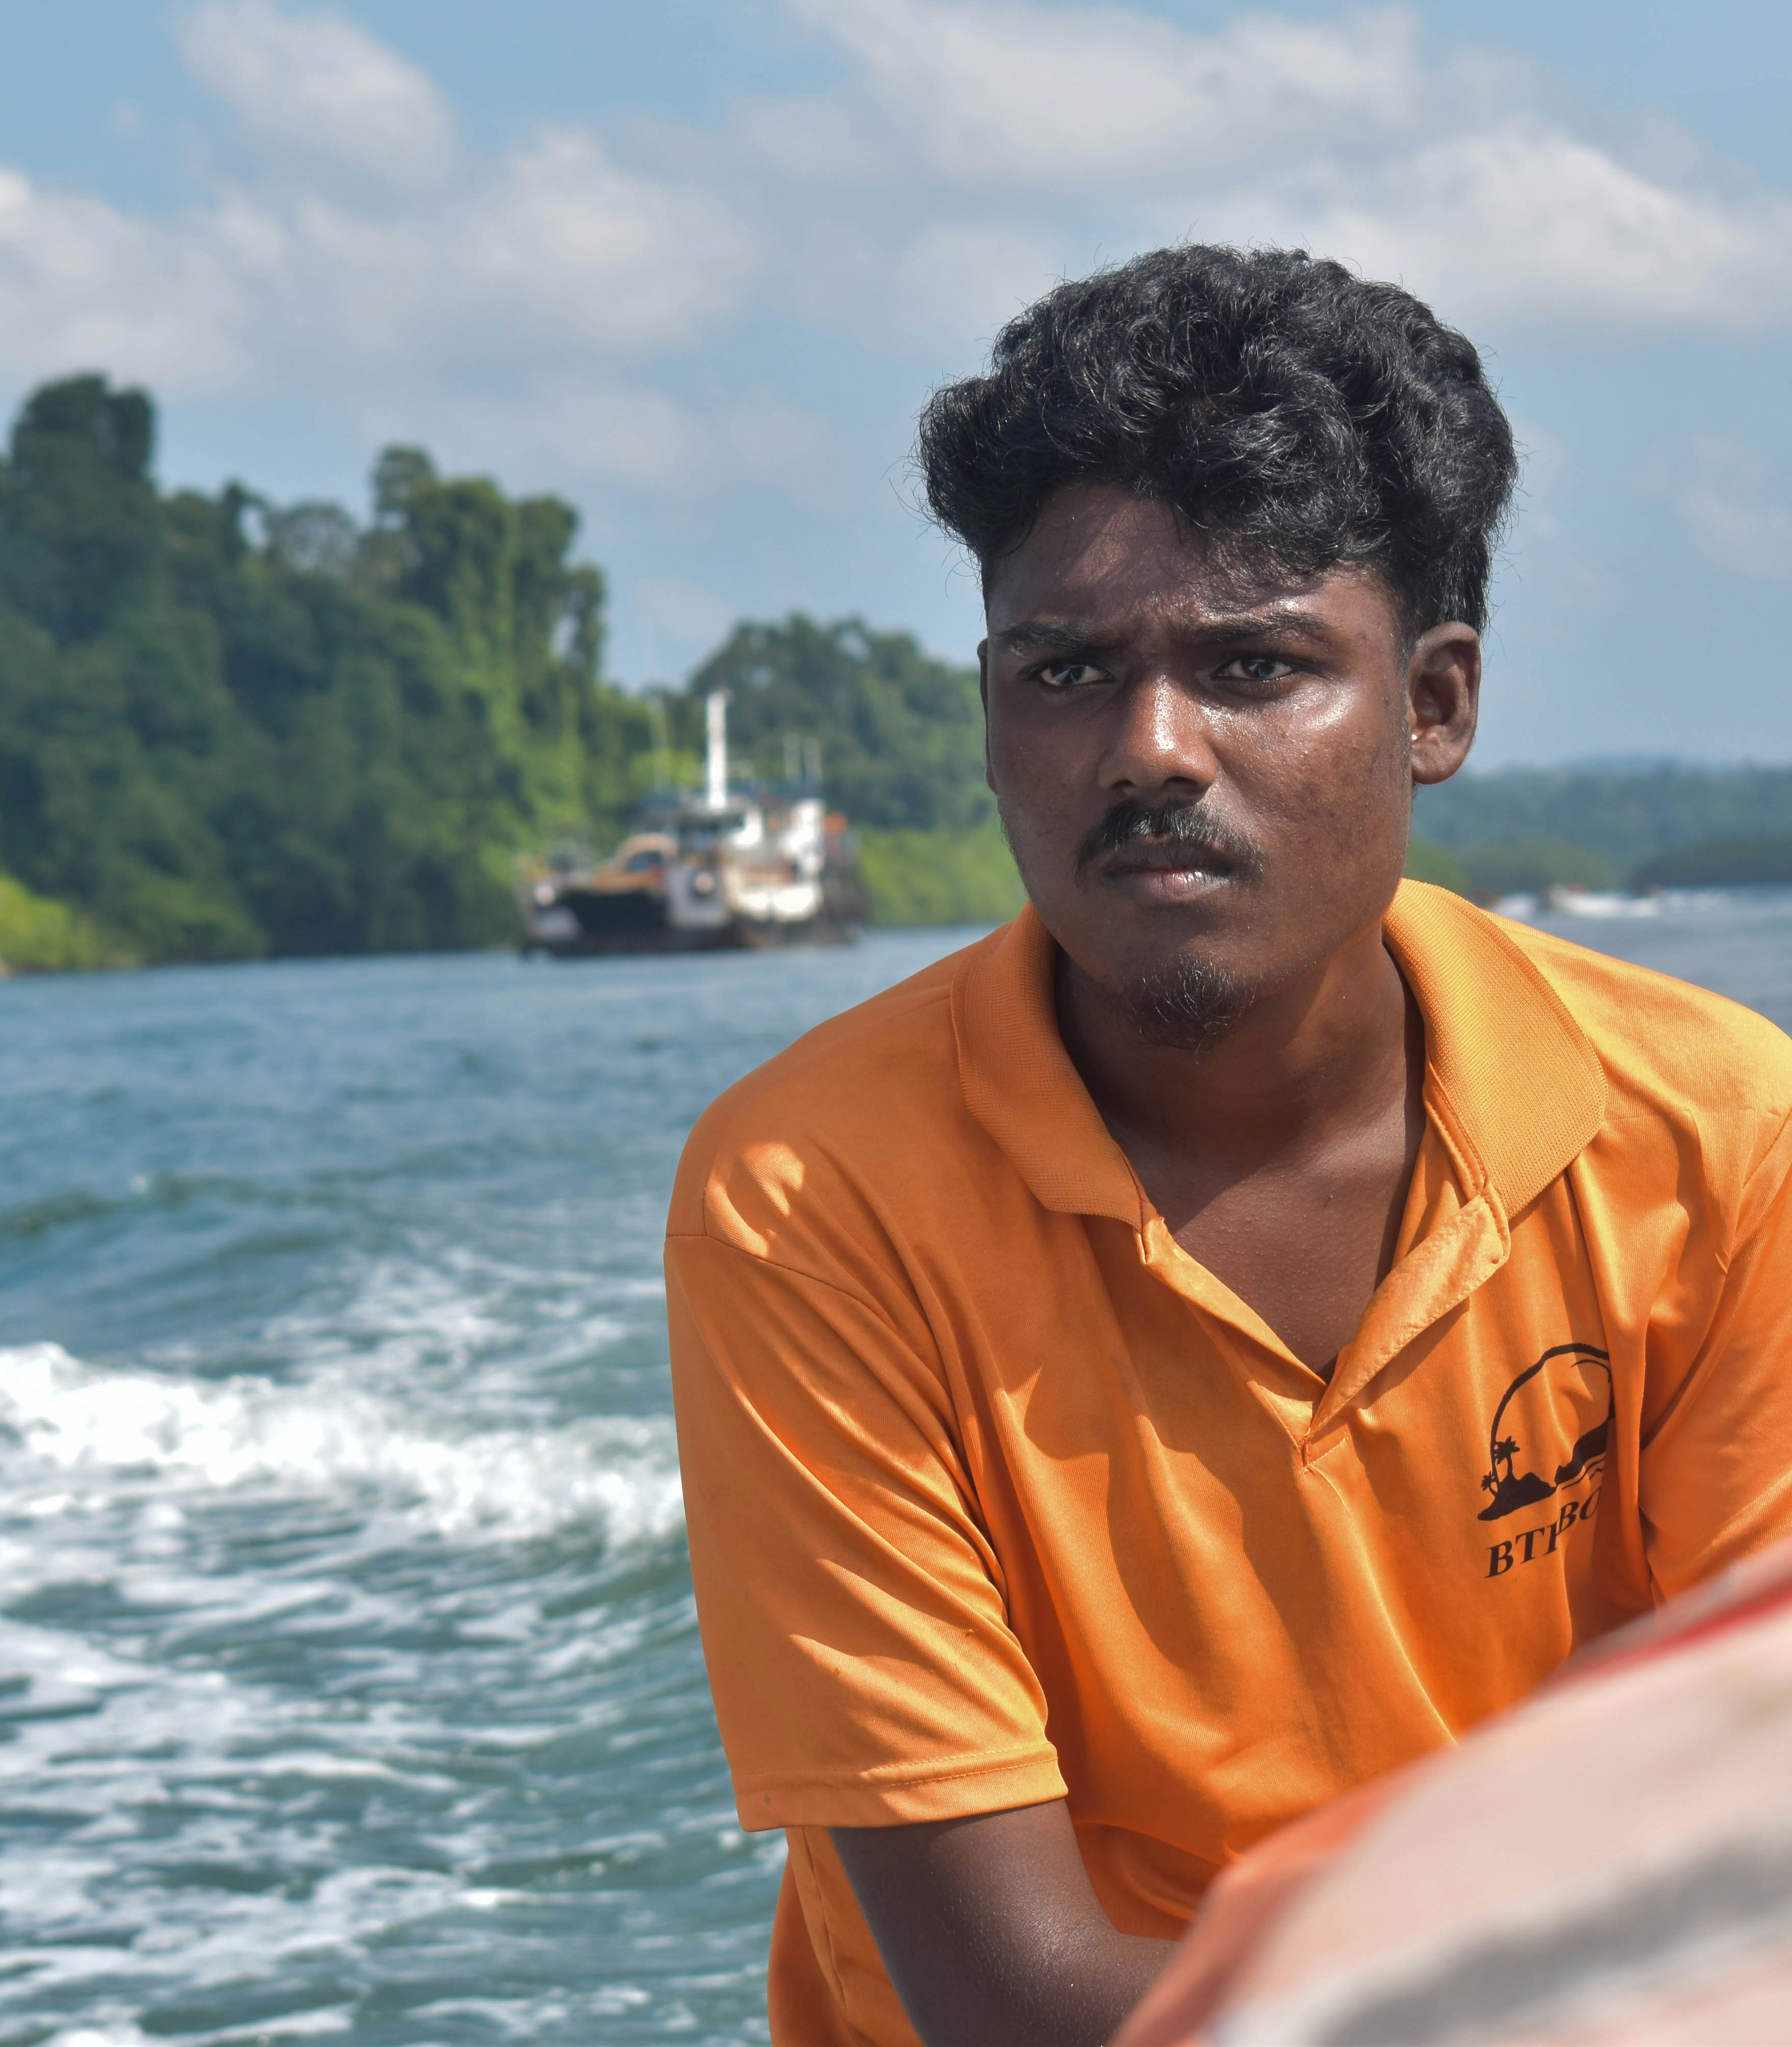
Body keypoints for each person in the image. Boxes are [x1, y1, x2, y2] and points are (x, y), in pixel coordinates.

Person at [664, 244, 1792, 2047]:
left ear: (1434, 706)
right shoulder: (814, 1198)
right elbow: (1012, 1997)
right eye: (1064, 669)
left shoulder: (1720, 1140)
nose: (1150, 748)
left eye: (1254, 664)